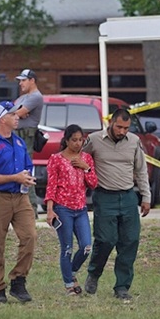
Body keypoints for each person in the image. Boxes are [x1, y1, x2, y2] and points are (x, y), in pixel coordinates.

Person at [82, 108, 151, 301]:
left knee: (130, 241)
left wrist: (146, 197)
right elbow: (79, 160)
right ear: (111, 122)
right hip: (104, 196)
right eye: (119, 126)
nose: (122, 131)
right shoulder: (94, 140)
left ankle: (122, 286)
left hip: (128, 196)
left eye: (126, 128)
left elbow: (141, 170)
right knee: (105, 240)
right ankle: (94, 274)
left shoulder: (134, 141)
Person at [0, 100, 36, 303]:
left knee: (30, 237)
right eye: (12, 114)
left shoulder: (19, 142)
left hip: (21, 198)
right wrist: (14, 178)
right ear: (2, 119)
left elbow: (28, 165)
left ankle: (18, 281)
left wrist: (27, 178)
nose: (17, 116)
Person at [44, 124, 98, 295]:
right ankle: (69, 285)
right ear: (66, 140)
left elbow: (93, 183)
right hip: (62, 209)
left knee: (86, 246)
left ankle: (71, 273)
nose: (77, 143)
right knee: (67, 248)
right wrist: (50, 209)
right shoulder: (56, 159)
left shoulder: (87, 159)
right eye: (74, 140)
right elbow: (51, 186)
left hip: (81, 209)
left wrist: (85, 167)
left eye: (80, 140)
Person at [13, 69, 44, 214]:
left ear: (32, 80)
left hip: (26, 137)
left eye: (23, 80)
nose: (21, 83)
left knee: (25, 171)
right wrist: (17, 112)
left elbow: (16, 113)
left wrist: (18, 113)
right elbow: (12, 111)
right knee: (16, 170)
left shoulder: (36, 97)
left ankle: (32, 209)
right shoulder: (23, 98)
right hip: (16, 135)